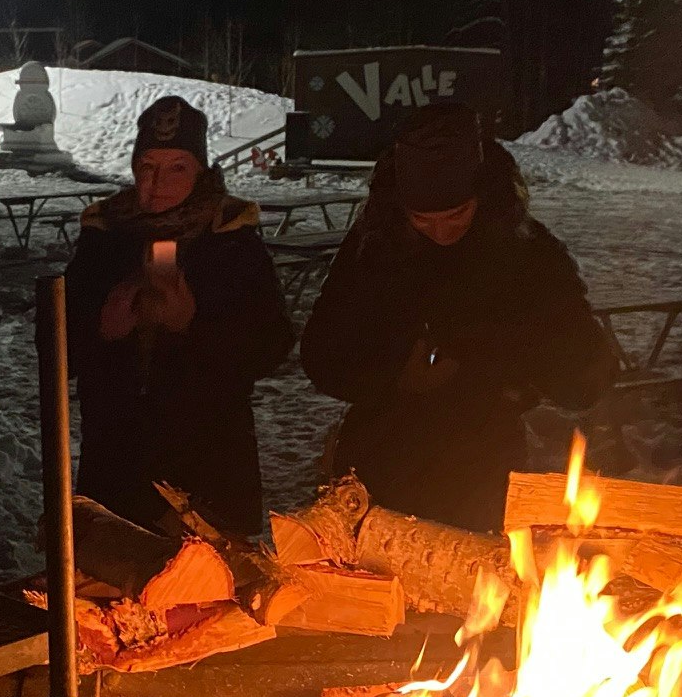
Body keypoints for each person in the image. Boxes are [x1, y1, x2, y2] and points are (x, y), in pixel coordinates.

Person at [300, 101, 615, 531]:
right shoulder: (373, 251)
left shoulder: (526, 255)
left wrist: (498, 362)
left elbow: (585, 375)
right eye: (422, 220)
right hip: (380, 467)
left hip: (482, 470)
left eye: (456, 215)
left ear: (483, 197)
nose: (441, 233)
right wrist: (396, 378)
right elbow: (321, 357)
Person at [65, 95, 294, 534]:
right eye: (148, 166)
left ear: (200, 170)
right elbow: (54, 348)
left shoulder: (228, 237)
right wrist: (102, 331)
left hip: (208, 462)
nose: (157, 183)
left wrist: (192, 325)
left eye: (177, 168)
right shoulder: (106, 236)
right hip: (117, 461)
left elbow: (271, 344)